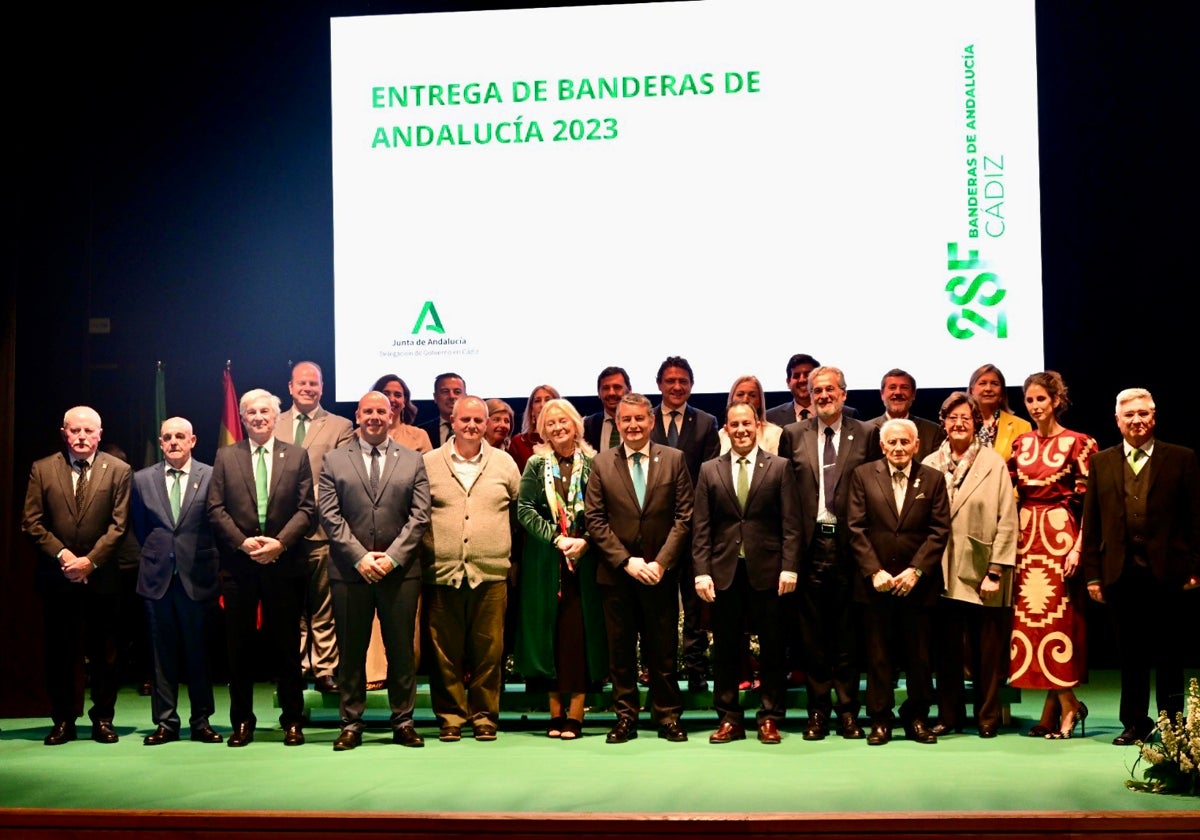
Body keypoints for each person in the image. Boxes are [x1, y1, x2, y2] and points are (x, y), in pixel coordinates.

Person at [1082, 388, 1200, 745]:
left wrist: (1196, 567)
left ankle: (1173, 725)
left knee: (1169, 655)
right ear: (1117, 420)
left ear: (1154, 417)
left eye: (1142, 414)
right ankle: (1135, 722)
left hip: (1169, 572)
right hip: (1120, 572)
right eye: (1129, 414)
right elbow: (1093, 521)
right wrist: (1092, 575)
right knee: (1130, 655)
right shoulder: (1101, 462)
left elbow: (1196, 518)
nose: (1136, 420)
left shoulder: (1182, 458)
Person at [318, 391, 431, 751]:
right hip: (351, 572)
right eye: (368, 411)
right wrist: (360, 557)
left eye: (381, 411)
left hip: (400, 573)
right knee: (351, 651)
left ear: (391, 414)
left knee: (401, 651)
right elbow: (330, 516)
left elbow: (420, 516)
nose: (375, 417)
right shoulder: (334, 460)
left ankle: (404, 721)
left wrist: (392, 557)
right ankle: (351, 723)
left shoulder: (413, 460)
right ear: (358, 415)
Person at [207, 389, 316, 747]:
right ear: (242, 417)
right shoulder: (226, 456)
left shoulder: (297, 456)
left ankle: (293, 720)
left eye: (264, 411)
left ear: (276, 416)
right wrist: (243, 542)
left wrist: (279, 544)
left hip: (283, 565)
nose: (258, 417)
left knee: (286, 647)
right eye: (251, 412)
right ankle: (242, 722)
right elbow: (215, 509)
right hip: (239, 567)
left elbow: (306, 510)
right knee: (238, 648)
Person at [586, 393, 694, 744]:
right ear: (617, 425)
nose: (633, 425)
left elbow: (684, 517)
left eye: (639, 419)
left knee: (662, 651)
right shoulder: (601, 463)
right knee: (620, 653)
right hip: (618, 574)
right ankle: (625, 718)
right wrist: (627, 562)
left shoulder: (675, 460)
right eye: (625, 420)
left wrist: (661, 562)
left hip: (660, 574)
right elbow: (595, 520)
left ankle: (667, 716)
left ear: (651, 421)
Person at [21, 406, 132, 745]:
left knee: (106, 653)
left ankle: (103, 719)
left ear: (100, 434)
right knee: (60, 652)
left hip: (103, 578)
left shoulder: (119, 470)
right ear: (64, 432)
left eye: (88, 431)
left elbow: (120, 526)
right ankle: (64, 721)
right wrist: (65, 556)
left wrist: (90, 562)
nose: (82, 437)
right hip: (58, 576)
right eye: (75, 431)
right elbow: (31, 522)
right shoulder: (42, 469)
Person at [777, 366, 877, 741]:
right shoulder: (792, 435)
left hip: (851, 546)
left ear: (844, 394)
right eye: (815, 390)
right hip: (810, 544)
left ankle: (848, 712)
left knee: (848, 635)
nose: (822, 395)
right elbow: (787, 495)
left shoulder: (866, 433)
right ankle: (818, 712)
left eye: (829, 389)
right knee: (813, 637)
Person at [693, 403, 800, 744]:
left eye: (747, 423)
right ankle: (729, 719)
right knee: (726, 649)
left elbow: (791, 524)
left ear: (758, 425)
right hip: (725, 572)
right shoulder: (710, 470)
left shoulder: (780, 467)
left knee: (772, 647)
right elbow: (701, 527)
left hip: (769, 572)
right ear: (726, 427)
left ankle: (769, 717)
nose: (741, 430)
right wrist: (701, 572)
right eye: (734, 424)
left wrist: (789, 566)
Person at [422, 395, 520, 742]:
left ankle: (484, 718)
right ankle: (450, 717)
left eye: (479, 420)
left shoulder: (505, 463)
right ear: (452, 420)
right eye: (465, 420)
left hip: (490, 574)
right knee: (444, 653)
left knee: (489, 652)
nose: (472, 426)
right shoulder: (429, 463)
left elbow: (519, 511)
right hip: (442, 571)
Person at [848, 418, 950, 745]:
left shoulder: (933, 479)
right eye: (892, 443)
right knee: (878, 657)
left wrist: (916, 570)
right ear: (882, 446)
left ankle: (917, 717)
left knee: (919, 658)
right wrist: (874, 571)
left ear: (916, 445)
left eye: (905, 442)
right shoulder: (863, 476)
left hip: (917, 586)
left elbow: (939, 530)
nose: (898, 448)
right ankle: (880, 719)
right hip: (876, 584)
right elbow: (856, 528)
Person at [922, 392, 1018, 738]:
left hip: (982, 569)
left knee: (987, 651)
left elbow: (1007, 518)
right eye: (952, 417)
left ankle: (987, 716)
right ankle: (949, 716)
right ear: (943, 421)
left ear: (977, 421)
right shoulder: (930, 462)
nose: (959, 423)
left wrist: (996, 570)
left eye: (966, 417)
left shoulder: (993, 463)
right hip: (941, 569)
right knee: (946, 650)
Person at [1008, 371, 1096, 739]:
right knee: (1030, 622)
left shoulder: (1081, 443)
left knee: (1059, 621)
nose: (1035, 406)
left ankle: (1067, 706)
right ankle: (1059, 707)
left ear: (1056, 401)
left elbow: (1092, 502)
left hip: (1062, 536)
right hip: (1027, 539)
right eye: (1029, 400)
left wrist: (1079, 546)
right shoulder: (1021, 444)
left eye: (1041, 399)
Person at [514, 399, 607, 740]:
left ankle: (577, 715)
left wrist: (583, 541)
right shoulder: (536, 465)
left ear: (576, 424)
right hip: (546, 564)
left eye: (562, 421)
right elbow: (524, 509)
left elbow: (603, 510)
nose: (557, 427)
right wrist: (556, 539)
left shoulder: (595, 462)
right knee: (549, 637)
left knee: (578, 638)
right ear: (542, 429)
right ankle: (555, 714)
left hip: (585, 562)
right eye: (549, 423)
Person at [130, 417, 223, 745]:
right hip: (157, 579)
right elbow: (141, 528)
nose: (173, 442)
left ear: (193, 440)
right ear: (160, 441)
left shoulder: (211, 475)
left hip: (197, 577)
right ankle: (166, 723)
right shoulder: (141, 479)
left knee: (198, 653)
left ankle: (201, 721)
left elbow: (215, 525)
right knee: (161, 655)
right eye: (167, 437)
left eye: (180, 436)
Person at [277, 361, 354, 695]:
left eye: (314, 384)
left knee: (323, 603)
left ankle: (324, 669)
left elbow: (342, 477)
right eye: (302, 383)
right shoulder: (272, 423)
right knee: (290, 603)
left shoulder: (340, 426)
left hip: (323, 528)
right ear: (290, 387)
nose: (308, 388)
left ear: (322, 388)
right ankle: (295, 666)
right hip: (280, 531)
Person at [651, 356, 719, 692]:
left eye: (683, 381)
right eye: (670, 381)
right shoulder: (643, 420)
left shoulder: (706, 422)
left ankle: (695, 669)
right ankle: (661, 670)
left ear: (691, 385)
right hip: (654, 529)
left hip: (694, 528)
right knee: (660, 605)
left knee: (695, 605)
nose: (677, 387)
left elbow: (708, 478)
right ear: (659, 383)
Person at [867, 368, 946, 463]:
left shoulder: (933, 432)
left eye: (904, 387)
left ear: (913, 394)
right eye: (892, 387)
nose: (898, 392)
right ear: (882, 394)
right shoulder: (866, 431)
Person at [765, 353, 858, 427]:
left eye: (807, 375)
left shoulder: (848, 413)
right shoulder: (771, 417)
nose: (802, 380)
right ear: (788, 382)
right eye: (796, 376)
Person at [968, 363, 1031, 462]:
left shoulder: (1022, 427)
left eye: (994, 384)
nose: (988, 388)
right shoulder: (959, 424)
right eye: (982, 383)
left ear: (1002, 392)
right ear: (972, 390)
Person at [718, 374, 783, 455]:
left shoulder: (774, 433)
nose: (745, 399)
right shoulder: (722, 434)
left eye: (752, 395)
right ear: (731, 399)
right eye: (740, 394)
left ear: (760, 402)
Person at [372, 374, 433, 454]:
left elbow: (429, 466)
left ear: (404, 401)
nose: (392, 399)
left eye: (397, 395)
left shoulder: (419, 435)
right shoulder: (359, 435)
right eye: (386, 394)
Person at [509, 384, 561, 472]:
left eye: (548, 400)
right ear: (531, 410)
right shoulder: (518, 443)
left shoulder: (566, 438)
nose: (542, 404)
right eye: (537, 401)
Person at [583, 366, 631, 453]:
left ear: (629, 390)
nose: (611, 393)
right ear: (598, 393)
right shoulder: (587, 425)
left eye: (617, 387)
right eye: (605, 388)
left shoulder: (642, 423)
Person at [418, 372, 466, 447]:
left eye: (457, 392)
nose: (451, 396)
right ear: (435, 397)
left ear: (465, 397)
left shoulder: (478, 428)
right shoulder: (421, 432)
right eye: (445, 391)